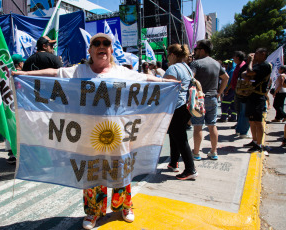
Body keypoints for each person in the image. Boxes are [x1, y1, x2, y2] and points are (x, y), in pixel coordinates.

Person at [13, 33, 178, 230]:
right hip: (87, 136)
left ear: (110, 50)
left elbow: (146, 79)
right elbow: (53, 74)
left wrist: (168, 83)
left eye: (106, 43)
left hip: (119, 134)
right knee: (92, 173)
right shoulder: (79, 71)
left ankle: (124, 206)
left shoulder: (122, 72)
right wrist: (22, 75)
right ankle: (93, 212)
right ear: (90, 50)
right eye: (96, 43)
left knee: (120, 169)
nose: (101, 46)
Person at [189, 39, 229, 161]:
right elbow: (226, 78)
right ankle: (213, 151)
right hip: (213, 98)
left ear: (202, 50)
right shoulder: (217, 64)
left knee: (198, 126)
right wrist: (219, 93)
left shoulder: (196, 64)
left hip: (199, 99)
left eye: (196, 49)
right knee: (212, 126)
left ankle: (196, 153)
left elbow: (190, 78)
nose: (195, 51)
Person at [164, 44, 197, 180]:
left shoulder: (173, 68)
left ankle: (190, 170)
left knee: (180, 138)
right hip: (186, 106)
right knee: (174, 134)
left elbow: (166, 88)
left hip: (176, 106)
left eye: (168, 55)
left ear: (172, 55)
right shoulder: (186, 68)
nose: (167, 58)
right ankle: (173, 163)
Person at [242, 48, 272, 152]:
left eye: (257, 53)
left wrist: (250, 61)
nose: (255, 55)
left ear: (263, 54)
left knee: (258, 121)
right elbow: (245, 74)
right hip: (252, 95)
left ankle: (259, 144)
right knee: (251, 120)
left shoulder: (265, 65)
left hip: (258, 96)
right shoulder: (258, 65)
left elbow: (249, 72)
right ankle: (254, 141)